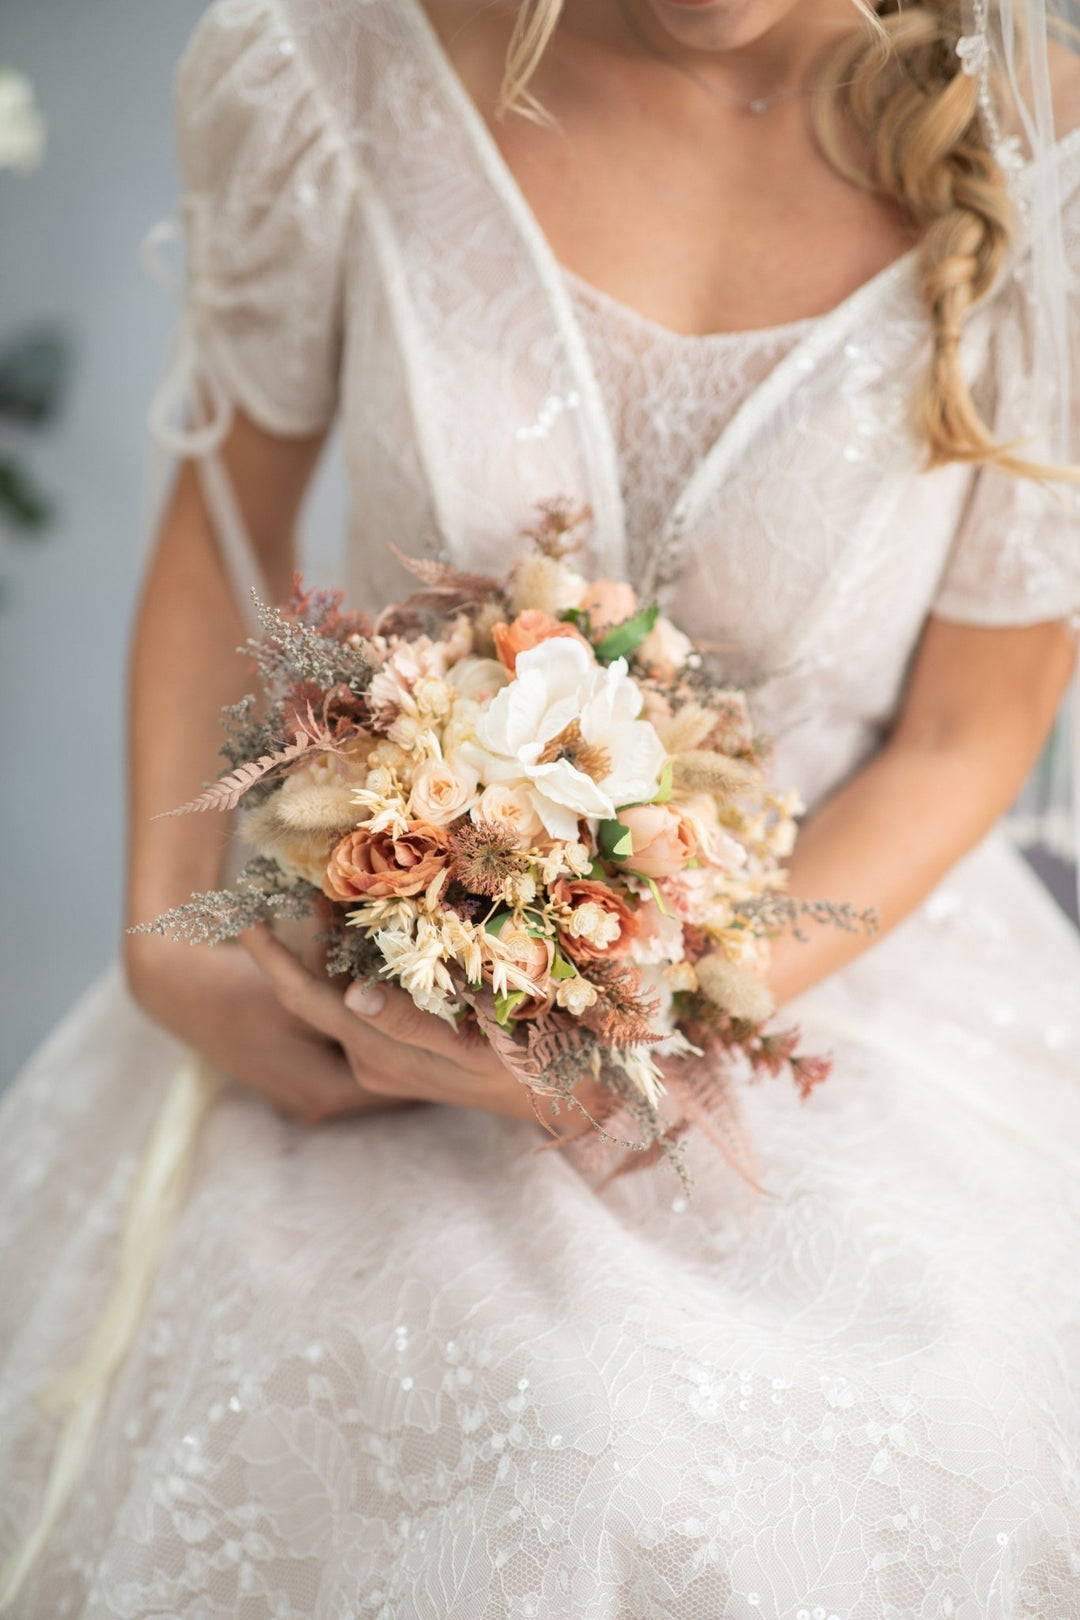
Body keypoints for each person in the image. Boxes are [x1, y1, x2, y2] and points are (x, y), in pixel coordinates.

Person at [3, 0, 1080, 1611]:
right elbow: (220, 530)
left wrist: (650, 1019)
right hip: (337, 995)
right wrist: (173, 948)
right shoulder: (330, 61)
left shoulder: (1043, 158)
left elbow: (963, 737)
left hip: (825, 983)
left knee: (707, 1480)